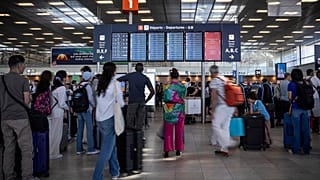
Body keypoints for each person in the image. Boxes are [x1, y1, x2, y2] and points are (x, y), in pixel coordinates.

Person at [0, 55, 34, 180]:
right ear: (19, 65)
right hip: (20, 118)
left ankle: (8, 175)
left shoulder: (1, 79)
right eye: (24, 65)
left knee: (8, 148)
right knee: (26, 149)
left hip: (4, 118)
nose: (24, 67)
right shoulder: (23, 81)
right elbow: (26, 101)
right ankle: (27, 176)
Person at [92, 62, 124, 180]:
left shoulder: (99, 83)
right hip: (110, 119)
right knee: (106, 151)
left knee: (111, 146)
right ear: (113, 71)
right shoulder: (115, 84)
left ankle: (115, 171)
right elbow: (120, 103)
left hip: (99, 119)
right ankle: (96, 177)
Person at [209, 65, 237, 156]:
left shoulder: (214, 81)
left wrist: (212, 110)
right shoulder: (224, 79)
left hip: (223, 106)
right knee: (225, 127)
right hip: (231, 106)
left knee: (215, 125)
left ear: (211, 72)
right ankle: (224, 149)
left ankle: (227, 143)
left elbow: (214, 97)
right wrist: (235, 107)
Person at [117, 63, 155, 131]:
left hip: (132, 101)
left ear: (135, 69)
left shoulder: (131, 76)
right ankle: (139, 137)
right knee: (140, 122)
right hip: (141, 101)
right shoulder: (145, 78)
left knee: (129, 121)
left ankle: (131, 138)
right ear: (142, 69)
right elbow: (152, 92)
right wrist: (146, 101)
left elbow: (118, 79)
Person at [162, 68, 186, 158]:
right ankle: (178, 150)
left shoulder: (166, 86)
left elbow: (164, 98)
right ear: (178, 76)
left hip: (169, 110)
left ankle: (167, 151)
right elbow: (183, 97)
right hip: (180, 111)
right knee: (179, 131)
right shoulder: (182, 87)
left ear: (170, 77)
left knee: (168, 132)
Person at [76, 71, 99, 155]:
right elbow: (90, 98)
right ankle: (91, 149)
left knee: (80, 129)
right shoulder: (88, 86)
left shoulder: (79, 85)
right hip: (87, 109)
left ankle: (79, 149)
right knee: (90, 129)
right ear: (90, 78)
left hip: (79, 110)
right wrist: (94, 106)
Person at [288, 68, 311, 154]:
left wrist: (293, 100)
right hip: (306, 109)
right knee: (306, 130)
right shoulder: (306, 83)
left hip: (296, 108)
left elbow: (290, 97)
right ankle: (306, 148)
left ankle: (296, 148)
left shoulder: (292, 84)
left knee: (296, 130)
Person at [48, 70, 69, 160]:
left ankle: (49, 151)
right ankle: (54, 153)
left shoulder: (51, 86)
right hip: (58, 113)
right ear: (63, 78)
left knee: (51, 133)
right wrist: (68, 108)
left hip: (50, 112)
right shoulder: (62, 88)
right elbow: (62, 103)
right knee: (56, 134)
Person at [310, 70, 320, 134]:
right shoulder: (313, 79)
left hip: (317, 97)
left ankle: (315, 128)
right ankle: (315, 128)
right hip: (315, 97)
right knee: (316, 114)